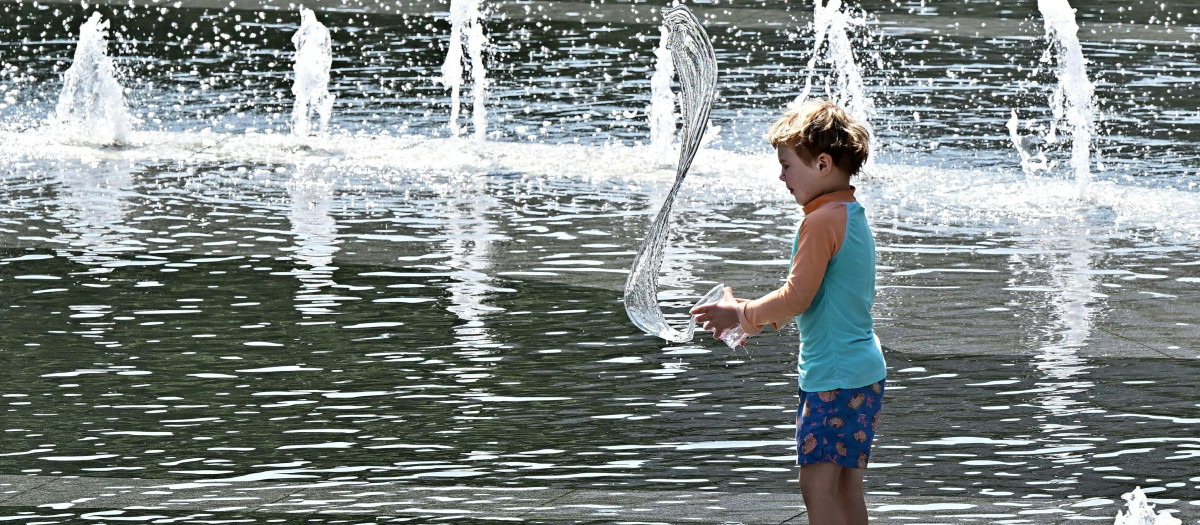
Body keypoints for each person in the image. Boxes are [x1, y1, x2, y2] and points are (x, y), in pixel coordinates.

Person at [690, 99, 886, 525]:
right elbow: (818, 300)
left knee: (816, 484)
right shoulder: (850, 212)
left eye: (786, 165)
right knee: (846, 485)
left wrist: (740, 314)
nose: (780, 176)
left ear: (821, 164)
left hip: (833, 376)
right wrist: (754, 322)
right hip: (862, 370)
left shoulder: (819, 222)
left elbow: (797, 297)